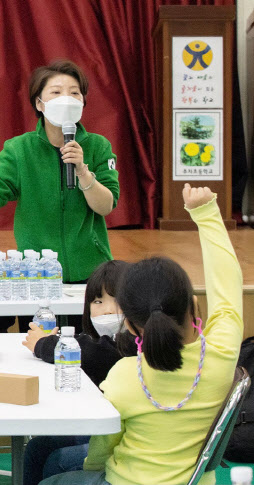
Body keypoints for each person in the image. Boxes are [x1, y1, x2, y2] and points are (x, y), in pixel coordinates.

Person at [39, 184, 243, 485]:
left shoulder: (125, 376)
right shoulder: (222, 353)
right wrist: (206, 213)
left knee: (52, 473)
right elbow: (227, 285)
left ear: (132, 327)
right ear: (195, 307)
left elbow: (101, 451)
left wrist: (89, 465)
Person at [0, 59, 120, 286]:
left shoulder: (99, 146)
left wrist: (83, 172)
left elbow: (106, 205)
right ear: (39, 104)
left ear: (83, 101)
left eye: (74, 93)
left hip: (92, 271)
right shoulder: (18, 150)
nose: (66, 99)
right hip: (37, 272)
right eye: (56, 92)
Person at [21, 260, 136, 485]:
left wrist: (45, 344)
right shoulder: (105, 339)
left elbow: (95, 353)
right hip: (106, 432)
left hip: (123, 438)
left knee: (57, 460)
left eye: (118, 301)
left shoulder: (133, 343)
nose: (108, 310)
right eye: (98, 301)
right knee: (37, 448)